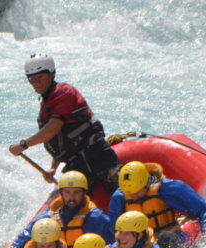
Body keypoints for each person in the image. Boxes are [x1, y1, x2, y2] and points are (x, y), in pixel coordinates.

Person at [7, 53, 121, 193]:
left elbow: (54, 128)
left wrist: (24, 145)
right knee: (73, 207)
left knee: (124, 191)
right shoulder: (47, 103)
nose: (36, 83)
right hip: (76, 164)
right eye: (32, 79)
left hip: (97, 156)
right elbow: (61, 138)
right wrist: (54, 168)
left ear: (51, 74)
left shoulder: (63, 92)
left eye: (40, 77)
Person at [0, 171, 113, 248]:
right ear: (61, 194)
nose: (71, 198)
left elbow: (114, 242)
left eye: (76, 192)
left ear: (84, 193)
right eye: (67, 192)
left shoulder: (95, 218)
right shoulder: (49, 219)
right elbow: (23, 238)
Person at [108, 161, 206, 248]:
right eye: (129, 194)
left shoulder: (168, 188)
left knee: (165, 238)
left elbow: (203, 209)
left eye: (137, 193)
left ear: (147, 182)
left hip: (169, 239)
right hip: (140, 245)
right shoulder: (120, 197)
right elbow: (115, 230)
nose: (133, 197)